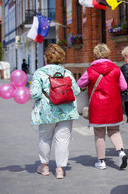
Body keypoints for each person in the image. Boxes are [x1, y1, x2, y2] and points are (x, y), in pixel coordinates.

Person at [30, 44, 81, 179]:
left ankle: (44, 167)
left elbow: (34, 94)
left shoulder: (39, 73)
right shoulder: (67, 73)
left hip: (46, 112)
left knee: (45, 138)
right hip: (66, 111)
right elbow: (76, 91)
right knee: (63, 140)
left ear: (47, 57)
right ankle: (60, 169)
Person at [77, 43, 128, 170]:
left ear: (95, 55)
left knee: (99, 133)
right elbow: (124, 87)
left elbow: (79, 84)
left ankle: (101, 161)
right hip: (114, 105)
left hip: (97, 106)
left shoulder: (90, 70)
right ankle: (121, 152)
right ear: (108, 54)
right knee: (114, 131)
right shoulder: (116, 69)